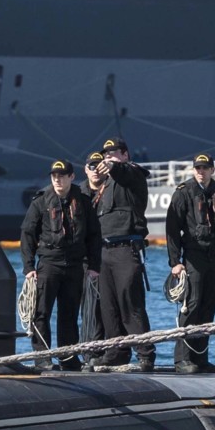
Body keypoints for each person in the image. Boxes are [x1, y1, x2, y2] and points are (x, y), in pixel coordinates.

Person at [19, 159, 101, 370]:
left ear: (71, 177)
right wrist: (29, 268)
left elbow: (94, 235)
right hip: (49, 263)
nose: (57, 179)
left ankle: (68, 358)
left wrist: (94, 266)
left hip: (74, 265)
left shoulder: (82, 201)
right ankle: (43, 358)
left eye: (62, 176)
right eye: (54, 176)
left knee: (69, 313)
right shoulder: (41, 201)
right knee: (41, 313)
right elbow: (28, 234)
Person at [165, 153, 215, 373]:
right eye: (197, 168)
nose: (201, 171)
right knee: (191, 306)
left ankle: (200, 358)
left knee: (209, 307)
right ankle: (182, 359)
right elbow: (172, 228)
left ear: (212, 170)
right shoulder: (184, 193)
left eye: (205, 168)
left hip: (214, 259)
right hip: (193, 257)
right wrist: (175, 262)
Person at [89, 136, 155, 370]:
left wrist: (115, 166)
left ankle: (145, 353)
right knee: (108, 307)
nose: (109, 157)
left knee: (130, 303)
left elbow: (125, 172)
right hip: (104, 251)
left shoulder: (132, 174)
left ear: (125, 154)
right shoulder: (104, 186)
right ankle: (116, 352)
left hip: (127, 248)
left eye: (114, 153)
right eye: (106, 154)